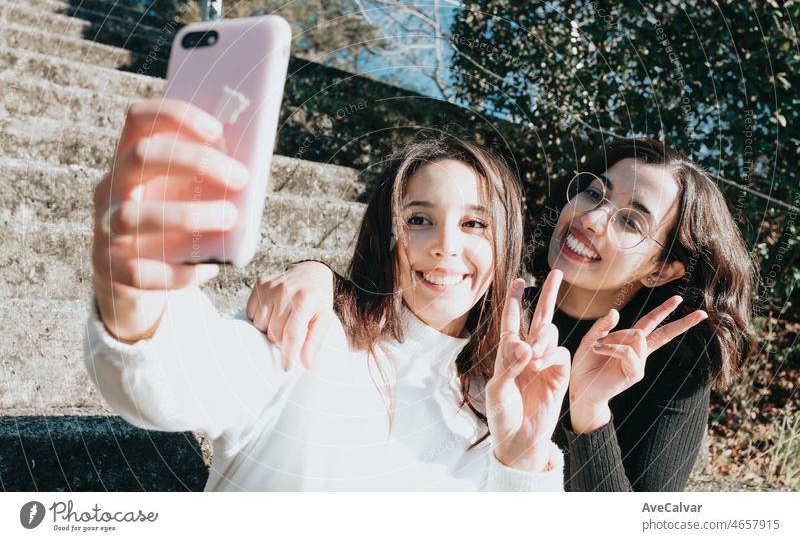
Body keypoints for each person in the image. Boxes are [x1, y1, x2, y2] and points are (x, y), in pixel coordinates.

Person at [84, 104, 570, 491]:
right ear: (387, 236)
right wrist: (136, 284)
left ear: (502, 244)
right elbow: (169, 382)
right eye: (418, 219)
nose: (446, 244)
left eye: (474, 224)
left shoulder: (503, 398)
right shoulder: (314, 330)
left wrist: (522, 462)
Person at [247, 137, 757, 491]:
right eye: (594, 192)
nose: (591, 217)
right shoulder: (510, 310)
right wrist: (317, 275)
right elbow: (407, 298)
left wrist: (589, 414)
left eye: (629, 220)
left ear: (661, 270)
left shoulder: (676, 367)